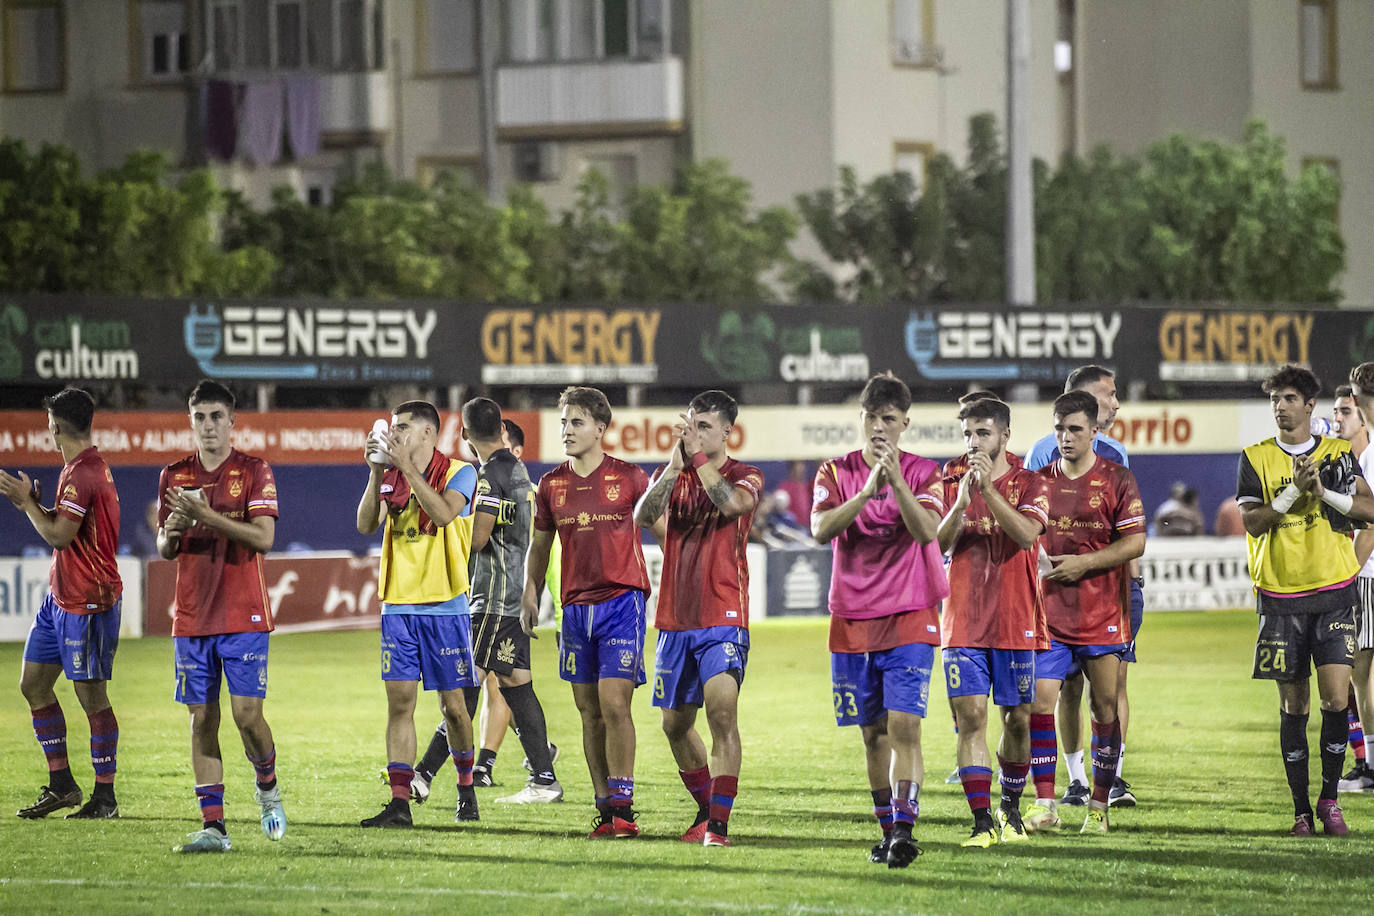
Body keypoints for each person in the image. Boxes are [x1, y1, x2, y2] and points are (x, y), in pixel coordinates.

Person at [811, 372, 948, 868]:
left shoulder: (924, 472)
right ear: (860, 419)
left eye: (888, 419)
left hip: (911, 613)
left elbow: (928, 529)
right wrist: (867, 492)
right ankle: (887, 830)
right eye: (870, 417)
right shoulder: (834, 471)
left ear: (904, 423)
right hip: (852, 617)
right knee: (872, 733)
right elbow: (820, 528)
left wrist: (894, 485)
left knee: (904, 726)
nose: (878, 427)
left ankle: (905, 829)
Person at [1240, 365, 1374, 835]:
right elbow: (1254, 523)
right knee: (1294, 706)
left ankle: (1329, 800)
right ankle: (1300, 810)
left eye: (1290, 398)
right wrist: (1296, 489)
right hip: (1279, 597)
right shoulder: (1255, 458)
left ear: (1308, 405)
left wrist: (1325, 492)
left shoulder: (1338, 453)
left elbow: (1369, 509)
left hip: (1335, 592)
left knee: (1337, 698)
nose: (1281, 405)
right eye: (1275, 398)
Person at [154, 380, 284, 852]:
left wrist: (206, 517)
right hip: (191, 618)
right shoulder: (173, 475)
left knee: (247, 717)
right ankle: (214, 827)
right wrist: (174, 529)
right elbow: (166, 548)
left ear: (232, 422)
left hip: (242, 612)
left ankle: (267, 787)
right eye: (199, 417)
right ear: (190, 422)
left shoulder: (253, 470)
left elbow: (264, 539)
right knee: (201, 719)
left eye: (216, 417)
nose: (208, 426)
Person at [522, 386, 653, 838]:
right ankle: (604, 808)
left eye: (576, 422)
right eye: (563, 423)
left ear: (601, 428)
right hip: (574, 609)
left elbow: (666, 527)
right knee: (588, 711)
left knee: (615, 704)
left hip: (622, 601)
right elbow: (540, 545)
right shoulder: (551, 484)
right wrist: (530, 592)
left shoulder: (632, 478)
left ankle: (624, 807)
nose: (567, 431)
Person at [634, 390, 763, 848]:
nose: (694, 433)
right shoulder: (675, 474)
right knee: (675, 725)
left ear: (727, 431)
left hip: (724, 613)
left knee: (721, 712)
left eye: (704, 426)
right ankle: (706, 810)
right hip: (674, 618)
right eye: (691, 424)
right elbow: (643, 516)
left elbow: (730, 505)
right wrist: (672, 467)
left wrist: (696, 458)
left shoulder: (745, 475)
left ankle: (719, 828)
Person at [410, 417, 559, 795]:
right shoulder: (523, 473)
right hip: (513, 594)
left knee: (465, 684)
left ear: (464, 434)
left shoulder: (490, 474)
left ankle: (424, 774)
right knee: (515, 683)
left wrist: (449, 518)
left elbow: (477, 540)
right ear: (502, 433)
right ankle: (544, 776)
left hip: (492, 598)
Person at [1023, 390, 1146, 835]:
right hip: (1050, 615)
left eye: (1075, 428)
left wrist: (1084, 564)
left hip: (1102, 612)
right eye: (1059, 427)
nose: (1065, 436)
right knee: (1041, 700)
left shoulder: (1117, 480)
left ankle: (1098, 807)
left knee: (1105, 705)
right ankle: (1044, 803)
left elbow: (1136, 543)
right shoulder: (1036, 481)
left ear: (1095, 431)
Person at [356, 400, 480, 828]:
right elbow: (365, 525)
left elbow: (444, 514)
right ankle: (399, 804)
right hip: (398, 606)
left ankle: (466, 788)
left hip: (445, 606)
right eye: (393, 427)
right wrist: (375, 472)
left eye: (403, 427)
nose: (395, 434)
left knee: (454, 709)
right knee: (400, 705)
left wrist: (406, 468)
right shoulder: (390, 474)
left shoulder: (461, 472)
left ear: (429, 433)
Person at [2, 388, 123, 821]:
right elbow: (70, 525)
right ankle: (62, 785)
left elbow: (58, 536)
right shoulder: (82, 467)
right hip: (60, 600)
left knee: (92, 698)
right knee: (33, 684)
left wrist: (24, 504)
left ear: (54, 425)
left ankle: (104, 797)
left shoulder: (82, 472)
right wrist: (39, 504)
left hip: (88, 602)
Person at [936, 396, 1049, 847]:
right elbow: (934, 543)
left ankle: (1011, 808)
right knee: (972, 718)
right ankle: (982, 821)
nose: (973, 443)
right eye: (967, 434)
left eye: (982, 434)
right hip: (962, 619)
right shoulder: (949, 479)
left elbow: (1025, 535)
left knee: (1017, 719)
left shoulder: (1030, 482)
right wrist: (962, 502)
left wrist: (988, 492)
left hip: (1015, 618)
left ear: (1004, 435)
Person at [1339, 369, 1374, 793]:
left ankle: (1370, 767)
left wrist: (1343, 575)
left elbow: (1369, 524)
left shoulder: (1371, 454)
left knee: (1361, 670)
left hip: (1368, 573)